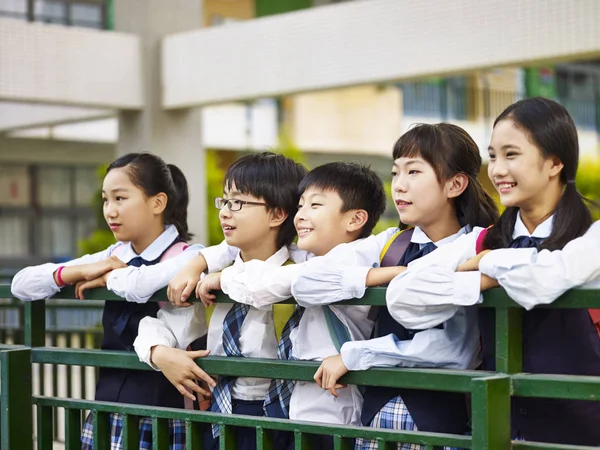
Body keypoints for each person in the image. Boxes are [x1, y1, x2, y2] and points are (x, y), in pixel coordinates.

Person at [387, 98, 600, 446]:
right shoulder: (485, 238)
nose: (497, 169)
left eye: (511, 154)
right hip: (500, 433)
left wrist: (487, 263)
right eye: (493, 155)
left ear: (554, 162)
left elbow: (544, 280)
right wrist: (480, 282)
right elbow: (402, 294)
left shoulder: (592, 237)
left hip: (581, 435)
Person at [291, 124, 498, 450]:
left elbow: (455, 351)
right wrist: (382, 275)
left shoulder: (476, 247)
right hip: (375, 420)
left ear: (455, 184)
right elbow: (303, 282)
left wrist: (357, 355)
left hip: (441, 424)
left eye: (413, 172)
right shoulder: (391, 244)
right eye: (396, 172)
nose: (399, 185)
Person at [11, 152, 201, 450]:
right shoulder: (114, 254)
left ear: (158, 202)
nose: (110, 211)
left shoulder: (189, 257)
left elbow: (141, 284)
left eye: (120, 198)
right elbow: (21, 284)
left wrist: (108, 277)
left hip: (164, 411)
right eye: (105, 200)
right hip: (107, 406)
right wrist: (77, 271)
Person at [196, 161, 387, 450]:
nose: (301, 215)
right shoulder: (308, 261)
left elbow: (271, 283)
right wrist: (201, 262)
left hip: (328, 415)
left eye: (315, 205)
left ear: (354, 219)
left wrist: (222, 277)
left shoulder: (347, 257)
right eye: (300, 205)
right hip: (293, 410)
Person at [133, 152, 308, 450]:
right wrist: (159, 352)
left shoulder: (300, 271)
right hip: (218, 412)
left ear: (278, 214)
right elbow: (161, 325)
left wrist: (215, 272)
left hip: (285, 416)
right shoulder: (209, 276)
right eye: (224, 201)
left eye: (238, 202)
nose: (225, 212)